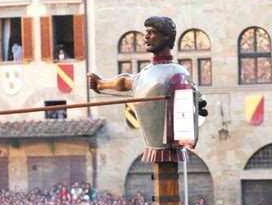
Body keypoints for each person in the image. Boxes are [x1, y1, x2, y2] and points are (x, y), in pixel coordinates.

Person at [88, 16, 206, 163]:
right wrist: (101, 84)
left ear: (166, 37)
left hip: (170, 147)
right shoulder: (147, 73)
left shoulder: (177, 72)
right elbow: (126, 81)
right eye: (147, 32)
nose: (146, 37)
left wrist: (196, 104)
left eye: (152, 32)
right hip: (154, 146)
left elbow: (197, 98)